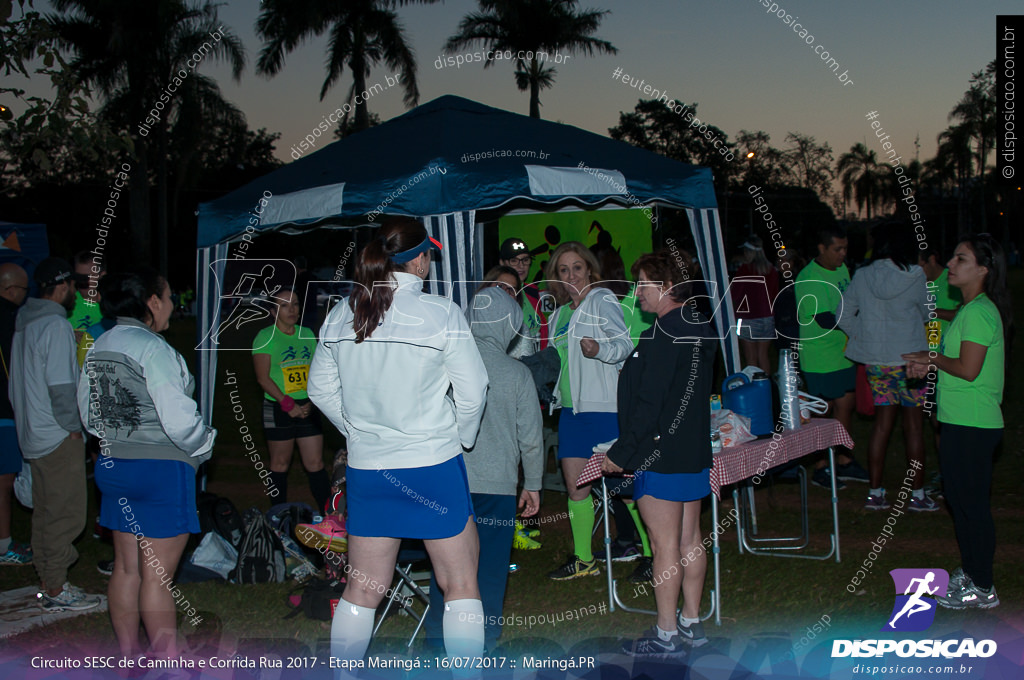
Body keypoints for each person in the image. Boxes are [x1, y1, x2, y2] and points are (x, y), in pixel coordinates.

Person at [308, 218, 489, 664]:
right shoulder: (441, 312)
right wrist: (462, 438)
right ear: (421, 259)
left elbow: (318, 390)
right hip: (433, 465)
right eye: (430, 254)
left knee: (362, 588)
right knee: (461, 583)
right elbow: (474, 389)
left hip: (370, 469)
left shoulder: (342, 312)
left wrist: (355, 431)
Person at [78, 270, 216, 657]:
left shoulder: (99, 345)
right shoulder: (155, 349)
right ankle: (168, 664)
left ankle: (127, 657)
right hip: (160, 470)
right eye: (170, 297)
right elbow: (178, 419)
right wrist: (204, 445)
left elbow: (89, 415)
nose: (173, 304)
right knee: (157, 578)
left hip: (115, 466)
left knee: (126, 568)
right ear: (152, 302)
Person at [602, 250, 717, 656]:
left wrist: (622, 452)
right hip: (693, 451)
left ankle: (667, 633)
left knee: (664, 545)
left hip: (658, 454)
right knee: (690, 540)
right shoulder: (701, 327)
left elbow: (650, 404)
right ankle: (691, 621)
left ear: (666, 287)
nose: (637, 294)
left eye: (643, 285)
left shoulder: (662, 333)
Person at [424, 287, 543, 651]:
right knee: (489, 568)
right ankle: (485, 640)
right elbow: (531, 437)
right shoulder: (517, 373)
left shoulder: (445, 365)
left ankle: (437, 639)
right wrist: (534, 483)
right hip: (497, 488)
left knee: (444, 569)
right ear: (512, 325)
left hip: (450, 481)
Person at [904, 234, 1011, 610]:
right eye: (951, 257)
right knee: (962, 504)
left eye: (960, 259)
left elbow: (968, 369)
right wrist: (929, 359)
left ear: (983, 268)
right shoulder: (970, 310)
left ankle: (982, 587)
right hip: (960, 423)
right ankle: (972, 572)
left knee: (972, 507)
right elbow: (958, 363)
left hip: (974, 425)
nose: (950, 264)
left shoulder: (980, 312)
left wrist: (929, 358)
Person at [9, 258, 101, 610]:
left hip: (32, 431)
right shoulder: (55, 326)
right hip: (56, 433)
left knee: (45, 511)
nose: (76, 294)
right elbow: (62, 388)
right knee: (66, 513)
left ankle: (48, 578)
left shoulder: (26, 323)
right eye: (73, 287)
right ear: (62, 287)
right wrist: (74, 429)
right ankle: (58, 586)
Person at [543, 242, 633, 581]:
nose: (571, 276)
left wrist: (599, 350)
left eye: (577, 268)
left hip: (605, 409)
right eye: (563, 270)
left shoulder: (602, 300)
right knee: (575, 487)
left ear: (590, 270)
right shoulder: (559, 314)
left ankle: (653, 554)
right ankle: (584, 560)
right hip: (571, 412)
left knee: (624, 486)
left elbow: (624, 345)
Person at [839, 223, 936, 511]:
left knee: (881, 428)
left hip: (878, 364)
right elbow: (929, 312)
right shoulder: (915, 275)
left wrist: (865, 335)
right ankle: (917, 496)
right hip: (912, 363)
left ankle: (876, 494)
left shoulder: (863, 274)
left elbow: (842, 315)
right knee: (915, 429)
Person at [590, 243, 655, 580]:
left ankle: (643, 546)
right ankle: (629, 539)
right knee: (616, 472)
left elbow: (627, 346)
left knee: (624, 469)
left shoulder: (619, 302)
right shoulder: (621, 300)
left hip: (627, 396)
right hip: (618, 394)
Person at [795, 227, 870, 489]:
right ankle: (820, 467)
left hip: (844, 354)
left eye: (845, 248)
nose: (843, 254)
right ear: (822, 248)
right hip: (819, 357)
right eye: (837, 249)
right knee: (823, 413)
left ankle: (844, 460)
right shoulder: (809, 278)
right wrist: (860, 325)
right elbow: (825, 319)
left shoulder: (842, 269)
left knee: (846, 405)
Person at [252, 288, 329, 512]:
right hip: (279, 407)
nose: (292, 309)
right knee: (280, 464)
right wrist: (288, 405)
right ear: (273, 311)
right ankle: (278, 517)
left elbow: (318, 371)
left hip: (307, 405)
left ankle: (329, 518)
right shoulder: (265, 337)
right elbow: (262, 378)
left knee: (315, 464)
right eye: (284, 305)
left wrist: (312, 401)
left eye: (295, 304)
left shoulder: (306, 334)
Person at [0, 263, 32, 566]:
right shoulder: (9, 320)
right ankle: (4, 546)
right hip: (4, 412)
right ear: (10, 290)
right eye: (23, 290)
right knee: (4, 481)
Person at [730, 236, 779, 374]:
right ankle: (766, 389)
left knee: (751, 358)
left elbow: (735, 295)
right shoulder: (771, 270)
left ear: (748, 252)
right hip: (768, 318)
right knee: (763, 356)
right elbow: (775, 294)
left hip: (748, 318)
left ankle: (754, 390)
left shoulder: (745, 270)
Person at [498, 237, 546, 356]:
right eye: (514, 260)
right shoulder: (496, 296)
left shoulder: (532, 292)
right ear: (502, 263)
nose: (521, 266)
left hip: (536, 366)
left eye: (525, 260)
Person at [68, 251, 105, 339]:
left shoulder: (112, 306)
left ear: (101, 275)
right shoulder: (67, 302)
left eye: (89, 276)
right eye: (79, 276)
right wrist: (70, 335)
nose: (83, 281)